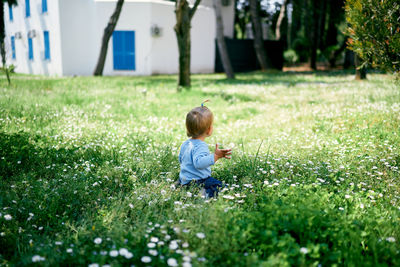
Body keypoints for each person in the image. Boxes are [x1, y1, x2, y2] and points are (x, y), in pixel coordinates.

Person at [178, 100, 232, 197]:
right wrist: (215, 156)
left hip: (185, 181)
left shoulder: (186, 144)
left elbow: (181, 159)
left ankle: (183, 187)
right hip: (198, 181)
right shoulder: (201, 146)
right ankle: (204, 195)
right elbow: (199, 163)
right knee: (222, 187)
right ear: (209, 130)